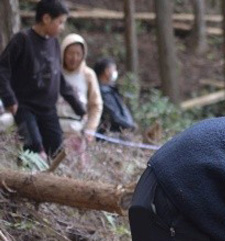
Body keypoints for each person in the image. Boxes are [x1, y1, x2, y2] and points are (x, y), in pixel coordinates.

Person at [0, 0, 86, 160]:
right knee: (34, 150)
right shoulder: (22, 40)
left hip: (48, 110)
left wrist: (78, 107)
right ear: (46, 18)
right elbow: (3, 69)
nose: (62, 27)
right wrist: (9, 98)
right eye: (60, 22)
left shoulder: (54, 43)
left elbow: (59, 79)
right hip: (24, 108)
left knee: (57, 153)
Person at [56, 33, 101, 167]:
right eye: (70, 53)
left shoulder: (88, 74)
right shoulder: (55, 71)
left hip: (77, 129)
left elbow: (95, 105)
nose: (74, 58)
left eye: (78, 54)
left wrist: (91, 128)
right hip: (54, 127)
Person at [94, 57, 135, 133]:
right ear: (107, 71)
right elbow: (114, 116)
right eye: (114, 69)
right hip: (109, 134)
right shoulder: (103, 92)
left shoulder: (109, 90)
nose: (115, 72)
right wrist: (130, 125)